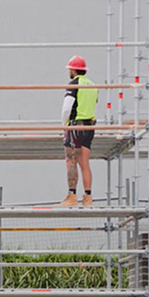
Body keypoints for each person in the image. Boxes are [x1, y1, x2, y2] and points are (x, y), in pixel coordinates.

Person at [59, 55, 99, 207]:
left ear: (74, 70)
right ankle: (88, 198)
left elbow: (67, 108)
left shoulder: (74, 84)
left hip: (75, 126)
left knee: (71, 162)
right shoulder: (93, 86)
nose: (69, 71)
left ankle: (72, 196)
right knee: (85, 163)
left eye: (70, 69)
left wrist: (65, 126)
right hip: (89, 127)